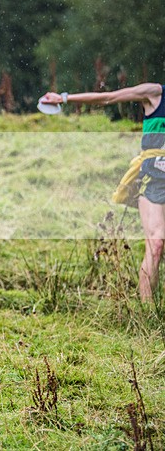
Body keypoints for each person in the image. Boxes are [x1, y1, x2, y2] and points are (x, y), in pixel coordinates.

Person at [40, 84, 165, 302]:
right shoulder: (155, 93)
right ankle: (148, 313)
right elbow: (108, 97)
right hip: (153, 179)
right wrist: (65, 97)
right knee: (155, 244)